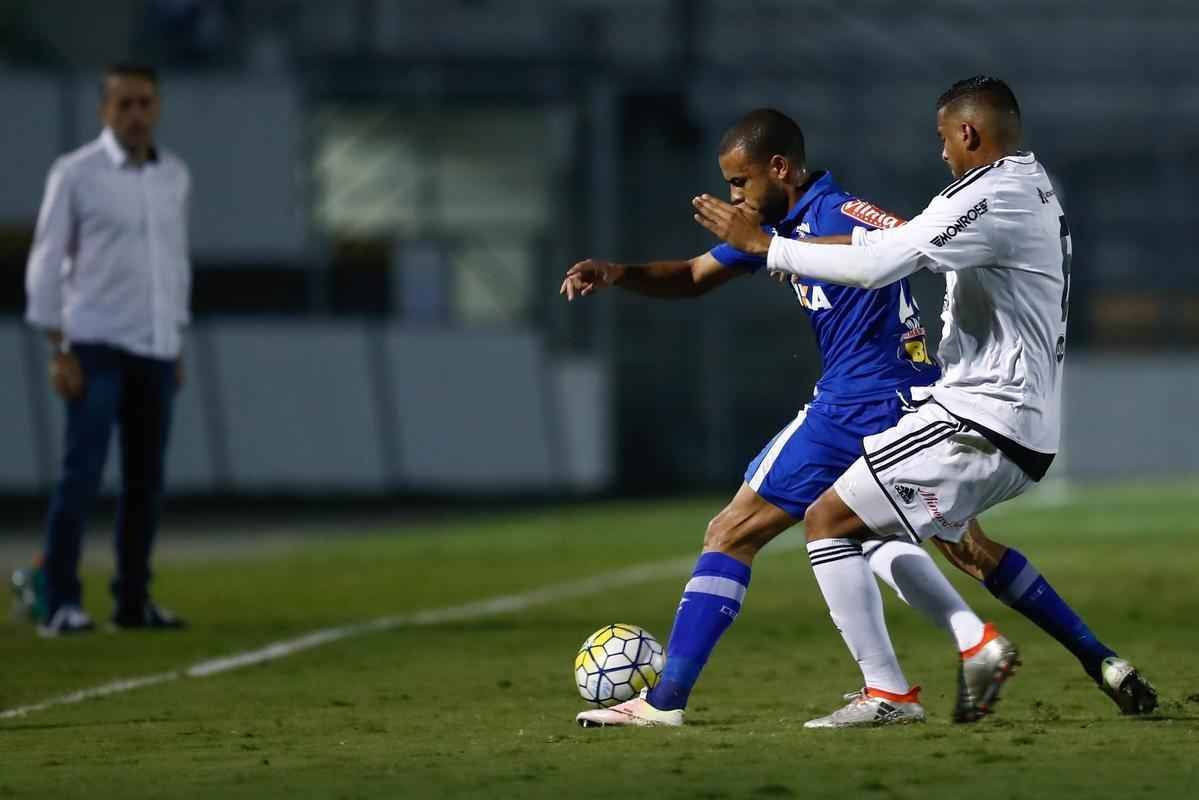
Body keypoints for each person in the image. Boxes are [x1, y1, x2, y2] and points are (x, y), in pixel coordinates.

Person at [567, 105, 1155, 729]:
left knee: (733, 531)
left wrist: (777, 247)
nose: (733, 195)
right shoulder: (779, 223)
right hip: (918, 400)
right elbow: (693, 274)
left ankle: (668, 701)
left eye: (741, 182)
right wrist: (620, 273)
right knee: (957, 546)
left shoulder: (839, 212)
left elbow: (901, 245)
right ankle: (1088, 659)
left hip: (865, 399)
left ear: (780, 167)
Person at [23, 63, 191, 636]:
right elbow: (46, 261)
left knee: (146, 480)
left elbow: (173, 263)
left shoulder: (174, 176)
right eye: (125, 104)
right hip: (94, 344)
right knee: (83, 476)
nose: (137, 114)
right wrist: (57, 346)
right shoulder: (76, 174)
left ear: (158, 107)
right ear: (103, 111)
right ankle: (60, 601)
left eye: (146, 103)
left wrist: (176, 337)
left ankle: (133, 601)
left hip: (155, 347)